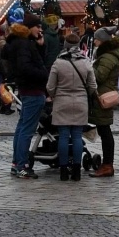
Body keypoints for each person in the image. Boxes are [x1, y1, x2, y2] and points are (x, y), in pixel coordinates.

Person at [2, 15, 49, 179]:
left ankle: (17, 164)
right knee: (27, 130)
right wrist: (44, 74)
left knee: (22, 127)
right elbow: (26, 67)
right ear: (30, 27)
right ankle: (22, 165)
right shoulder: (24, 44)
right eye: (38, 27)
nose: (40, 30)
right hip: (33, 90)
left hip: (26, 89)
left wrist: (40, 47)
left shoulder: (20, 42)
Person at [46, 36, 96, 181]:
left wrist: (54, 95)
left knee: (63, 136)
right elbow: (93, 86)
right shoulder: (85, 62)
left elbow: (50, 86)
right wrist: (85, 94)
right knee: (76, 136)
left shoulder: (58, 62)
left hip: (61, 102)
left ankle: (62, 170)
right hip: (80, 103)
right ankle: (76, 171)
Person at [89, 27, 119, 177]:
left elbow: (99, 76)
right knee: (104, 130)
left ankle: (108, 165)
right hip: (103, 94)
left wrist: (88, 68)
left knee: (104, 130)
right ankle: (107, 164)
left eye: (96, 38)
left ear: (102, 40)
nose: (94, 41)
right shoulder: (108, 54)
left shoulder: (107, 57)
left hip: (103, 96)